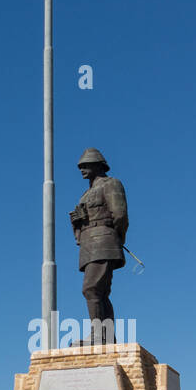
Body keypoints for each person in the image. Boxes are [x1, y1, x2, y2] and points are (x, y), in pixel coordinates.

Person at [69, 147, 128, 346]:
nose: (82, 169)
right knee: (99, 292)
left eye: (86, 165)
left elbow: (120, 215)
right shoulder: (85, 194)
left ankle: (98, 335)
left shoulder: (111, 184)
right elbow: (81, 225)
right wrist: (77, 223)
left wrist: (116, 238)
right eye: (81, 166)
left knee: (91, 289)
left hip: (104, 240)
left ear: (98, 165)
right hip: (88, 245)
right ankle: (107, 336)